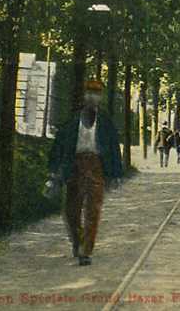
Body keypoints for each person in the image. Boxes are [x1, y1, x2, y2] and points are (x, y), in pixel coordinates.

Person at [46, 80, 123, 266]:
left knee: (92, 210)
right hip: (74, 166)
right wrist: (53, 172)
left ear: (100, 97)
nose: (92, 96)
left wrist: (116, 174)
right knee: (70, 211)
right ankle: (77, 241)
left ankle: (86, 251)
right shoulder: (72, 121)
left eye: (96, 93)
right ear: (83, 96)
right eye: (89, 92)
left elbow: (114, 148)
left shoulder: (105, 122)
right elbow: (59, 147)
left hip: (96, 167)